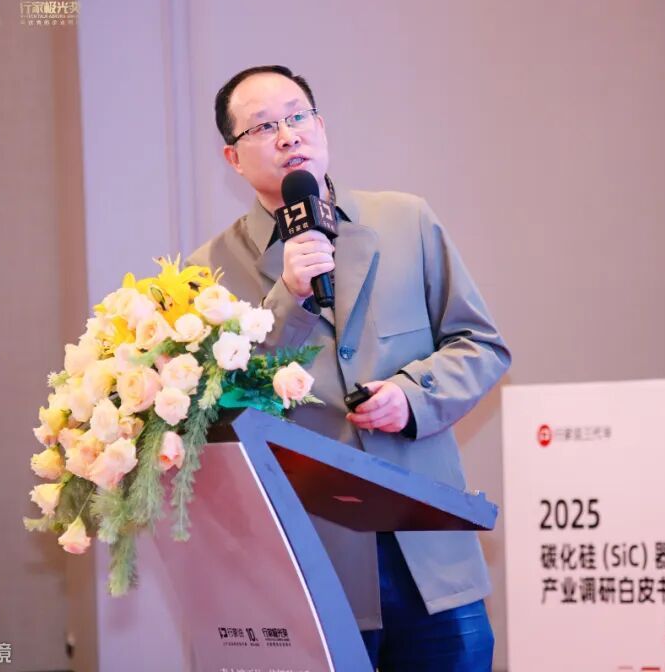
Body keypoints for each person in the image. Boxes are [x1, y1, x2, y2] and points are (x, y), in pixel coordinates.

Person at [188, 65, 510, 671]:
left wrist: (413, 398)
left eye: (297, 116)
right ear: (233, 157)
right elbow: (216, 410)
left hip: (430, 552)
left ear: (321, 126)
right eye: (263, 127)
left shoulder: (406, 221)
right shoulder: (207, 274)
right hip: (308, 561)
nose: (288, 135)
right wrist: (288, 298)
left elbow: (481, 345)